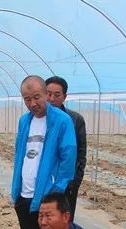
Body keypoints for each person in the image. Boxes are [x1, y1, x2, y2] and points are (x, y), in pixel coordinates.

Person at [11, 75, 77, 229]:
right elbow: (19, 155)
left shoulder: (61, 121)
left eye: (37, 97)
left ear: (46, 95)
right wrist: (16, 190)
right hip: (24, 194)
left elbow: (68, 158)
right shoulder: (24, 121)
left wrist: (56, 192)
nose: (32, 103)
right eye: (27, 99)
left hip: (46, 196)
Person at [45, 76, 86, 219]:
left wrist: (74, 183)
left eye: (57, 95)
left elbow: (81, 154)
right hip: (43, 181)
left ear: (64, 97)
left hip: (66, 185)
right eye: (48, 94)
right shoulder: (38, 119)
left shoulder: (75, 120)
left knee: (64, 223)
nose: (51, 98)